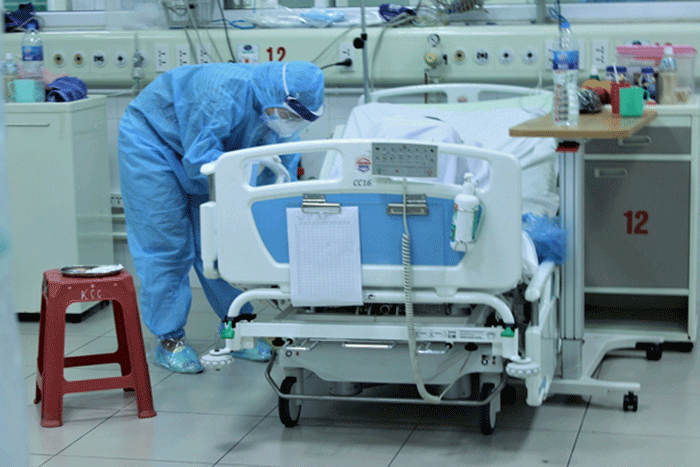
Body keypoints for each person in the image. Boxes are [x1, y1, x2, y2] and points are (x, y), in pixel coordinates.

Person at [118, 61, 325, 373]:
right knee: (167, 243)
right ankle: (169, 339)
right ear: (276, 98)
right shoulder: (220, 91)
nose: (291, 124)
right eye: (290, 116)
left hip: (207, 158)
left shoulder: (280, 122)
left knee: (219, 244)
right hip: (153, 144)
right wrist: (249, 172)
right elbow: (199, 160)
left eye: (300, 120)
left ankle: (235, 330)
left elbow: (280, 188)